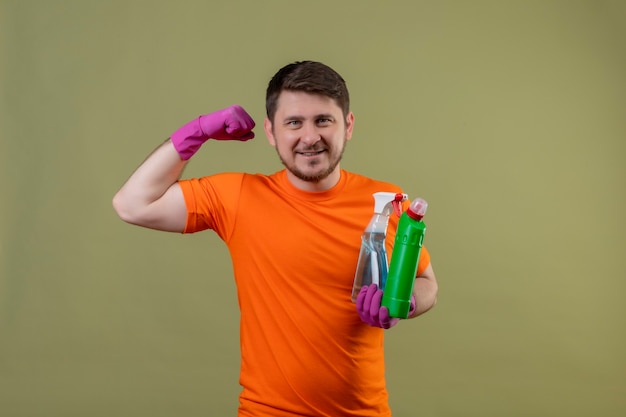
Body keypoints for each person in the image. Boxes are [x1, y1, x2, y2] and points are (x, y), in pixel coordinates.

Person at [113, 60, 438, 417]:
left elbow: (427, 283)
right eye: (294, 122)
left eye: (323, 120)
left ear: (348, 125)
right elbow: (132, 205)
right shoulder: (238, 196)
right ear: (271, 131)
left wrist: (404, 303)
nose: (310, 137)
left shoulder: (388, 201)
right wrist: (197, 132)